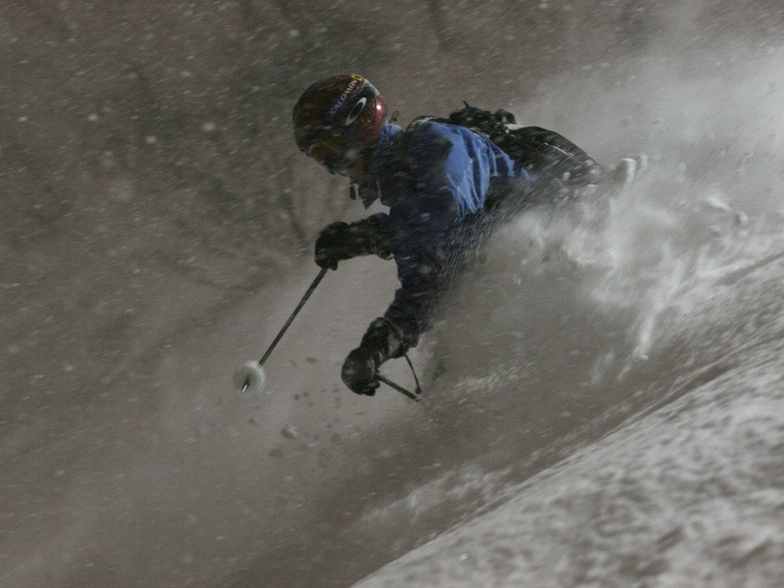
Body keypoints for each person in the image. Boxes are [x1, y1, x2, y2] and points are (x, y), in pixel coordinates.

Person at [292, 74, 631, 397]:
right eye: (322, 158)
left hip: (564, 228)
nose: (334, 164)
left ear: (362, 124)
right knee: (452, 358)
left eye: (333, 147)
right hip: (523, 274)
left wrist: (366, 235)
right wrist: (376, 348)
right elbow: (427, 283)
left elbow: (448, 216)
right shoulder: (402, 193)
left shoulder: (435, 141)